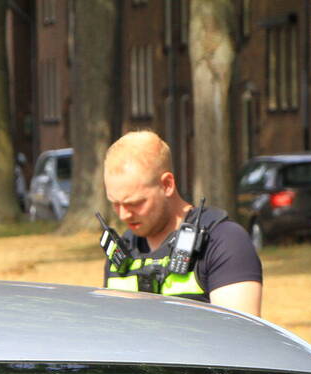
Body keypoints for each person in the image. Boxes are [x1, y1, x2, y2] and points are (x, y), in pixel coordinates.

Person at [101, 130, 263, 316]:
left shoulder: (223, 242)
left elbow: (238, 337)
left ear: (167, 185)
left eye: (135, 203)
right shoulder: (120, 253)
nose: (123, 215)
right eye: (115, 203)